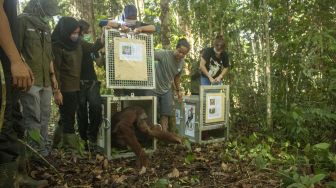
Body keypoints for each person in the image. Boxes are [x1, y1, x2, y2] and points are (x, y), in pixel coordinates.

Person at [0, 0, 43, 186]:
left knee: (14, 116)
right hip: (5, 64)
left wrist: (19, 60)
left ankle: (19, 176)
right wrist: (15, 60)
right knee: (4, 121)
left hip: (9, 60)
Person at [18, 0, 59, 157]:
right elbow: (17, 49)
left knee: (45, 114)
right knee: (32, 115)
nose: (49, 17)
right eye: (48, 13)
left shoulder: (46, 26)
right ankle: (34, 151)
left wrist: (53, 76)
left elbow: (49, 55)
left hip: (46, 80)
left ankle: (43, 150)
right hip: (30, 79)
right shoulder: (22, 21)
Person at [146, 38, 190, 132]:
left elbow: (177, 77)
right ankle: (150, 137)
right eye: (179, 52)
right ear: (176, 48)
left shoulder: (182, 63)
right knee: (151, 113)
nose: (181, 55)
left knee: (165, 114)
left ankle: (164, 135)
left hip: (166, 89)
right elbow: (147, 55)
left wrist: (178, 91)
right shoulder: (164, 54)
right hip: (153, 87)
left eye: (183, 54)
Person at [51, 17, 82, 151]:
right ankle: (72, 150)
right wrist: (57, 91)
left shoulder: (77, 44)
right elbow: (55, 71)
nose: (75, 35)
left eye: (77, 32)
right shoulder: (57, 46)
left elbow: (93, 47)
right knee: (68, 119)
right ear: (66, 31)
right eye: (73, 32)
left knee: (66, 117)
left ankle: (57, 144)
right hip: (65, 88)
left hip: (75, 87)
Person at [77, 19, 104, 152]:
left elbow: (99, 63)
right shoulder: (76, 43)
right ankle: (83, 140)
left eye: (88, 32)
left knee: (96, 107)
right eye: (85, 32)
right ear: (80, 31)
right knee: (81, 111)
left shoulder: (89, 46)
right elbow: (92, 47)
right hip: (78, 83)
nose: (87, 34)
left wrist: (102, 55)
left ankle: (92, 136)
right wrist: (101, 39)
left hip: (92, 82)